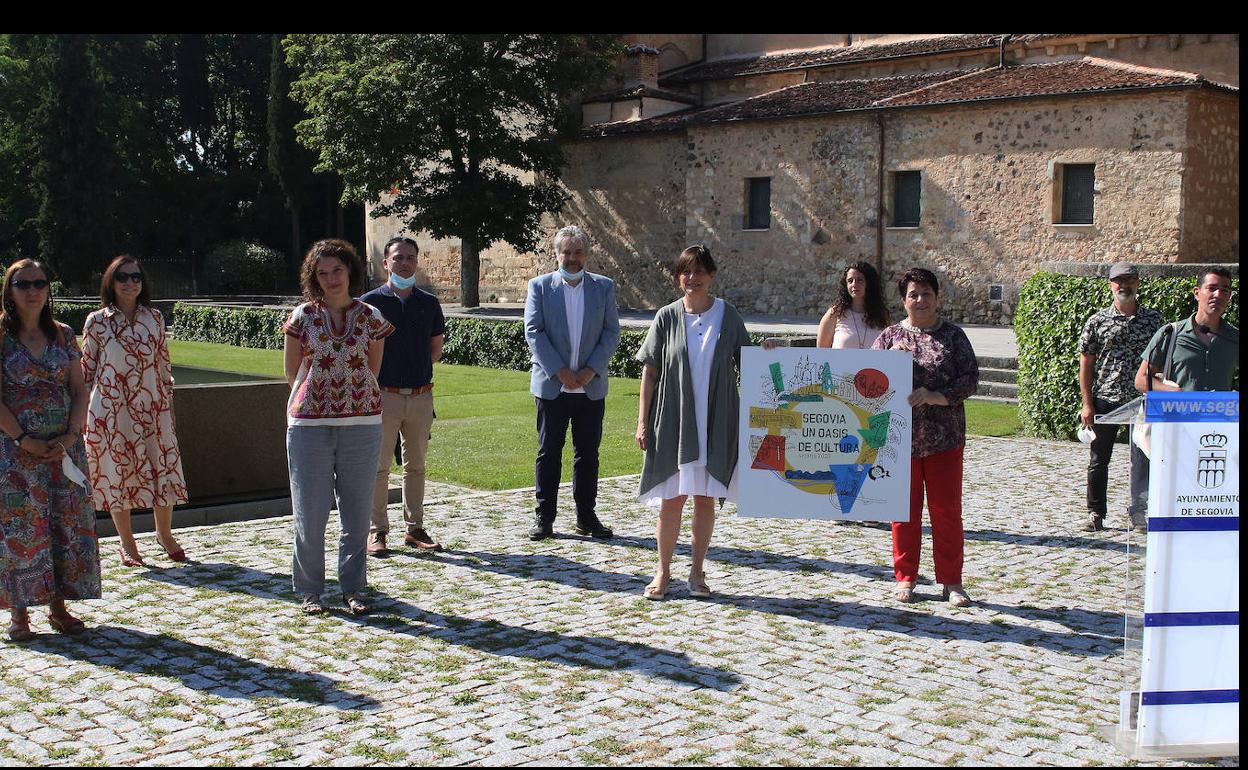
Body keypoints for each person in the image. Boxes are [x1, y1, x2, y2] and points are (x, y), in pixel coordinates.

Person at [283, 239, 393, 616]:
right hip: (309, 426)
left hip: (362, 424)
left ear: (350, 272)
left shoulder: (371, 317)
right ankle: (311, 590)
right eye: (322, 272)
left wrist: (353, 397)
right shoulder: (302, 317)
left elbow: (373, 368)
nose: (331, 279)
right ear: (313, 277)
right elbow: (291, 371)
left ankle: (353, 586)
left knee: (357, 513)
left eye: (337, 270)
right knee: (309, 513)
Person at [635, 245, 750, 600]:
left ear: (711, 275)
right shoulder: (667, 317)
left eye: (699, 271)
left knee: (704, 499)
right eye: (686, 271)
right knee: (673, 499)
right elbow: (650, 371)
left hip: (715, 421)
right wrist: (642, 421)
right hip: (674, 421)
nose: (692, 278)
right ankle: (663, 571)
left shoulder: (727, 316)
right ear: (678, 277)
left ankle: (697, 572)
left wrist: (774, 352)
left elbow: (751, 362)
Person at [1, 259, 100, 641]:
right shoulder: (1, 336)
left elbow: (79, 389)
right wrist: (24, 439)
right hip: (15, 452)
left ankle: (59, 607)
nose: (32, 290)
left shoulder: (63, 334)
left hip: (64, 450)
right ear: (10, 289)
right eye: (22, 283)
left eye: (40, 282)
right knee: (22, 529)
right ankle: (19, 614)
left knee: (65, 523)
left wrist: (72, 436)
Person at [872, 267, 979, 606]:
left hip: (944, 439)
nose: (920, 300)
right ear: (904, 300)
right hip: (899, 441)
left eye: (926, 294)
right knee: (903, 511)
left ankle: (952, 580)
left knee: (946, 510)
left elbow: (970, 379)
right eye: (913, 294)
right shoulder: (889, 338)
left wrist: (936, 396)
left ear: (937, 297)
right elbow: (863, 381)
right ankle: (905, 577)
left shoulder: (954, 336)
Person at [82, 256, 190, 565]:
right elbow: (86, 369)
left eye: (136, 277)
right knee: (118, 472)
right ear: (111, 282)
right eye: (123, 277)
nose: (130, 282)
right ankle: (127, 543)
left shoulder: (154, 318)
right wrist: (82, 415)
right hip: (110, 411)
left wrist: (167, 403)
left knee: (163, 468)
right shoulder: (97, 321)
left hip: (153, 407)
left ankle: (164, 533)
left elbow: (163, 363)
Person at [523, 226, 621, 541]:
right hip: (554, 387)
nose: (572, 258)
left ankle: (586, 516)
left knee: (588, 454)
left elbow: (611, 332)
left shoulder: (603, 288)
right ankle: (544, 517)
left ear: (587, 254)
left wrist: (592, 369)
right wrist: (559, 370)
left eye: (578, 252)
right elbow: (533, 331)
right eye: (567, 252)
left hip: (590, 387)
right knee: (548, 453)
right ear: (557, 254)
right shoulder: (539, 287)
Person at [361, 237, 446, 556]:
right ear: (386, 263)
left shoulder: (428, 302)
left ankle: (415, 528)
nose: (405, 263)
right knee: (378, 467)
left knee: (417, 467)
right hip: (383, 396)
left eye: (410, 257)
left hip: (422, 396)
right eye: (398, 258)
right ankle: (377, 531)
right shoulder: (369, 303)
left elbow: (434, 350)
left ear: (417, 262)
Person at [1076, 263, 1162, 532]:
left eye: (1129, 280)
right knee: (1099, 460)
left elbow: (1161, 362)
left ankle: (1139, 512)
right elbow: (1086, 365)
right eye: (1118, 280)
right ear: (1110, 285)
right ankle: (1095, 513)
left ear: (1137, 283)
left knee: (1143, 459)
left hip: (1143, 401)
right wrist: (1087, 403)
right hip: (1106, 398)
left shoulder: (1154, 321)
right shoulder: (1097, 321)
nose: (1124, 285)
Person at [1135, 268, 1239, 394]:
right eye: (1212, 288)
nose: (1218, 295)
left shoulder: (1234, 338)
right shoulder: (1170, 333)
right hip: (1178, 413)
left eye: (1224, 290)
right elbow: (1141, 380)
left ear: (1229, 297)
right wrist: (1173, 391)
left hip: (1218, 413)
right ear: (1196, 293)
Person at [817, 261, 892, 349]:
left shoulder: (882, 316)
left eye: (859, 280)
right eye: (850, 281)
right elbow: (821, 353)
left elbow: (889, 350)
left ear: (869, 283)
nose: (854, 284)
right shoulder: (834, 314)